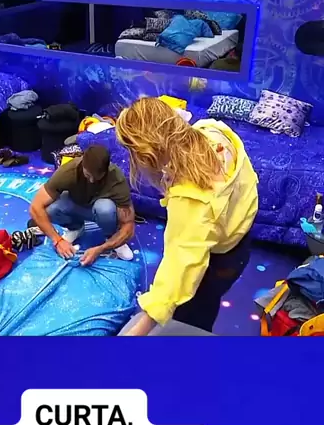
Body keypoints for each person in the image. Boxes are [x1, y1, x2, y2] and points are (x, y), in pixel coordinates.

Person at [115, 97, 258, 334]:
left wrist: (141, 327)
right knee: (208, 304)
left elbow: (181, 266)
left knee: (190, 319)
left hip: (217, 262)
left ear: (145, 154)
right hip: (240, 241)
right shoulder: (213, 132)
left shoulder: (191, 198)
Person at [30, 144, 135, 266]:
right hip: (76, 203)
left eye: (97, 178)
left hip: (102, 210)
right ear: (82, 165)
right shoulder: (68, 172)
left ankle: (111, 236)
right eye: (88, 175)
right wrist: (58, 240)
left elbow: (128, 225)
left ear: (106, 171)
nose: (92, 180)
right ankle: (75, 228)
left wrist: (101, 248)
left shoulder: (116, 179)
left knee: (105, 208)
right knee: (50, 209)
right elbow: (35, 207)